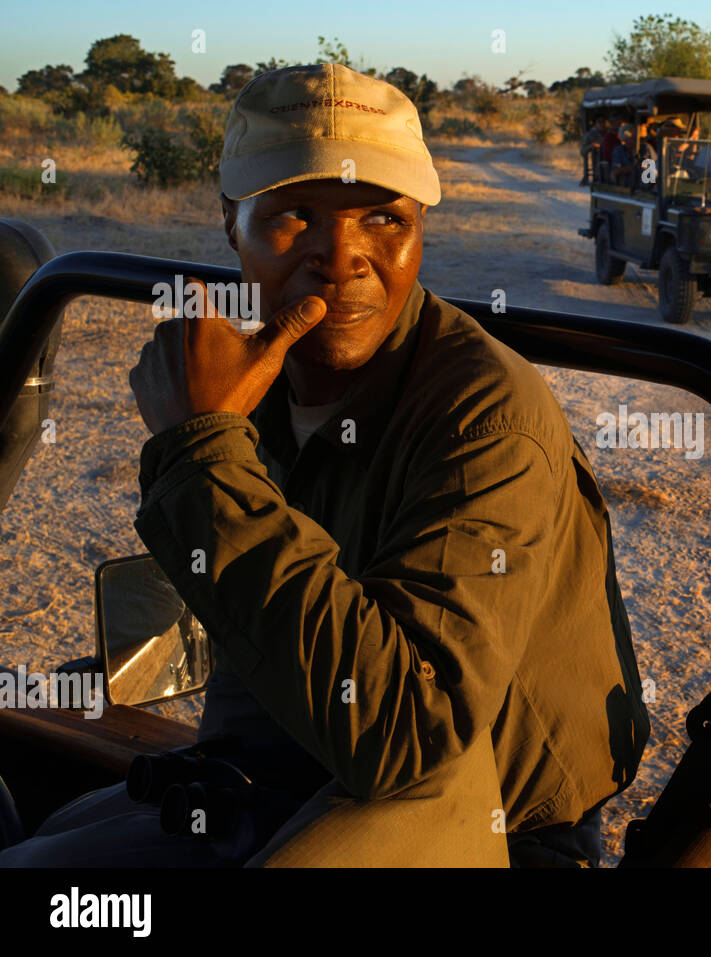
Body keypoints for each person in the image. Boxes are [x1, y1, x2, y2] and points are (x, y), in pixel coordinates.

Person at [0, 63, 650, 868]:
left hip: (484, 830)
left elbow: (415, 736)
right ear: (229, 226)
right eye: (292, 217)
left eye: (383, 220)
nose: (341, 257)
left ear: (421, 229)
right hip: (294, 776)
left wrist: (202, 453)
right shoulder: (254, 380)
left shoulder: (485, 418)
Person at [579, 116, 609, 186]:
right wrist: (592, 146)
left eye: (603, 122)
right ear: (595, 124)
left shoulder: (609, 132)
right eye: (599, 122)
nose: (602, 124)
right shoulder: (591, 135)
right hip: (598, 166)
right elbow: (583, 151)